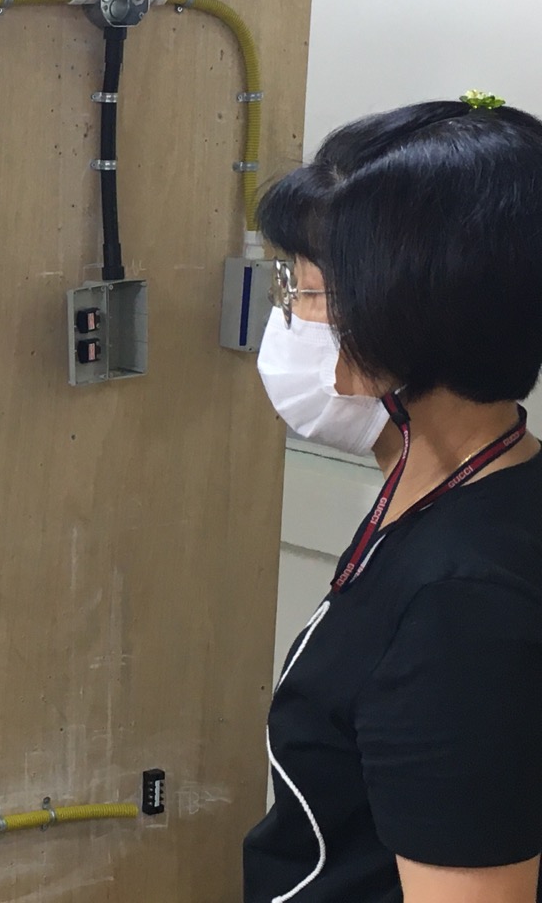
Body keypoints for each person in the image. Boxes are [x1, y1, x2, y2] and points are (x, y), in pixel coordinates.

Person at [245, 94, 542, 903]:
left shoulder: (462, 605)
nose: (291, 315)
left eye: (307, 291)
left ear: (395, 317)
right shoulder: (457, 491)